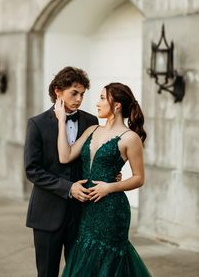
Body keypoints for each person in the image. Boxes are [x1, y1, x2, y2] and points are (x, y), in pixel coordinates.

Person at [55, 82, 152, 277]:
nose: (97, 103)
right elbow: (65, 157)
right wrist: (61, 121)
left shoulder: (129, 138)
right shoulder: (92, 130)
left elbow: (139, 178)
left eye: (102, 98)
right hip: (87, 209)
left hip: (111, 210)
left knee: (108, 263)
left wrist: (110, 187)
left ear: (116, 105)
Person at [24, 66, 98, 277]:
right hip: (47, 214)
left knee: (79, 273)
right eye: (74, 92)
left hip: (82, 213)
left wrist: (109, 174)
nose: (79, 99)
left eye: (82, 94)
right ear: (58, 91)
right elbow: (32, 170)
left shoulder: (90, 121)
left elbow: (92, 158)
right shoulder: (37, 124)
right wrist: (68, 188)